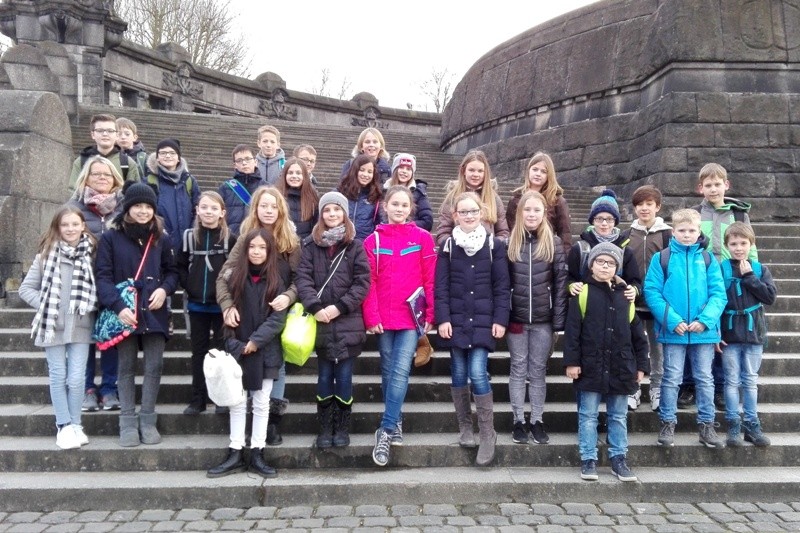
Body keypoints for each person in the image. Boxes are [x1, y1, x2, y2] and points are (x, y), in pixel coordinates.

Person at [95, 182, 179, 447]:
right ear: (127, 208)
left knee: (154, 366)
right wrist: (118, 306)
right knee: (126, 367)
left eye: (148, 206)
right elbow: (103, 276)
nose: (143, 211)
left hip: (154, 311)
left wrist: (165, 290)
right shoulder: (111, 237)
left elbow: (172, 271)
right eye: (138, 206)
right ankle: (127, 421)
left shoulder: (161, 237)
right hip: (126, 312)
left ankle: (148, 419)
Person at [216, 186, 301, 446]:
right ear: (256, 208)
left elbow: (299, 279)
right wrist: (227, 305)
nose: (268, 210)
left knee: (277, 366)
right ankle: (248, 421)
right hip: (249, 310)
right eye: (263, 205)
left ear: (281, 210)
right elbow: (224, 275)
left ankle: (271, 422)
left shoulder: (290, 242)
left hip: (276, 311)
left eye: (273, 206)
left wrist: (289, 296)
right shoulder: (246, 238)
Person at [206, 228, 289, 478]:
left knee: (262, 402)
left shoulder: (276, 280)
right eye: (252, 247)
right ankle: (235, 451)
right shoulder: (234, 278)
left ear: (269, 251)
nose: (256, 251)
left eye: (262, 247)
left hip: (266, 350)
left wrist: (256, 341)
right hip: (238, 349)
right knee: (238, 402)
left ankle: (257, 452)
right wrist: (237, 344)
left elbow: (278, 319)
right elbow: (227, 316)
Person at [363, 185, 436, 467]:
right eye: (395, 204)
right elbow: (368, 282)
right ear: (385, 206)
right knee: (387, 370)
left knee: (400, 371)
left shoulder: (423, 238)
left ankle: (386, 429)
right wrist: (372, 317)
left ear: (411, 209)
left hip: (410, 317)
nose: (399, 209)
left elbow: (430, 278)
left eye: (404, 205)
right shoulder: (372, 241)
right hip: (383, 316)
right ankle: (396, 418)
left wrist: (431, 312)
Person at [563, 242, 649, 482]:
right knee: (588, 415)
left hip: (621, 366)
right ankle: (588, 458)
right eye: (600, 261)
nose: (605, 266)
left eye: (610, 263)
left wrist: (642, 365)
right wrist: (571, 362)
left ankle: (619, 458)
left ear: (617, 268)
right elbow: (572, 332)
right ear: (591, 265)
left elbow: (638, 334)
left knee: (618, 416)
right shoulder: (582, 293)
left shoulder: (625, 296)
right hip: (590, 365)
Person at [435, 192, 510, 466]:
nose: (469, 216)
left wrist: (500, 320)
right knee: (458, 372)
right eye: (463, 212)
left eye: (473, 211)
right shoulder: (448, 246)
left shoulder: (493, 245)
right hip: (456, 320)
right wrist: (443, 319)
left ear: (482, 213)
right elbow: (440, 286)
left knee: (477, 371)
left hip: (483, 321)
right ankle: (465, 427)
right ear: (455, 216)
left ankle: (488, 433)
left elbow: (502, 287)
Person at [644, 209, 728, 449]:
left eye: (692, 230)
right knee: (671, 378)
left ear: (699, 231)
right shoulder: (662, 258)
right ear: (673, 231)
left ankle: (707, 425)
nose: (687, 234)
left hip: (703, 331)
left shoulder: (708, 259)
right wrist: (672, 320)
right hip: (674, 331)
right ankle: (667, 422)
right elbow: (652, 291)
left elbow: (718, 294)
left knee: (705, 379)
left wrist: (705, 320)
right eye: (682, 230)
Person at [679, 163, 759, 410]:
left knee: (724, 334)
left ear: (726, 185)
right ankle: (689, 384)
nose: (713, 189)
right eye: (708, 185)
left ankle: (721, 386)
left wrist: (751, 274)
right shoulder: (694, 213)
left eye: (717, 184)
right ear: (700, 188)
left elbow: (750, 248)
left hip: (730, 283)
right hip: (699, 283)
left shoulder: (739, 215)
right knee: (695, 331)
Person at [295, 192, 370, 449]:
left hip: (348, 321)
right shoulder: (310, 246)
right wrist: (315, 307)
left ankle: (342, 426)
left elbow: (362, 283)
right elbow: (303, 279)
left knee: (345, 377)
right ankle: (325, 426)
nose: (332, 214)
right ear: (321, 214)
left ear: (345, 213)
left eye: (337, 209)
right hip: (320, 322)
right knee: (324, 376)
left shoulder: (355, 246)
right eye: (327, 210)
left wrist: (340, 307)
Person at [19, 206, 98, 450]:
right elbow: (25, 289)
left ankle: (76, 424)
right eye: (65, 225)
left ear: (83, 226)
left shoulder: (92, 255)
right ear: (57, 227)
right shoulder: (45, 256)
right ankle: (63, 425)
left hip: (82, 325)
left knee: (76, 378)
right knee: (58, 375)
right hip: (51, 326)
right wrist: (46, 306)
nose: (70, 229)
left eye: (75, 224)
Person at [506, 191, 568, 445]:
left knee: (538, 370)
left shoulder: (553, 243)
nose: (531, 215)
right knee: (518, 368)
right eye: (527, 210)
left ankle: (537, 420)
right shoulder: (509, 242)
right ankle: (518, 420)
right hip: (517, 319)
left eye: (537, 210)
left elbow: (561, 282)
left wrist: (559, 321)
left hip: (544, 319)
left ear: (544, 214)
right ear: (520, 212)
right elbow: (502, 283)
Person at [69, 156, 125, 412]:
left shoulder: (123, 208)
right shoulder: (74, 207)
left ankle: (110, 388)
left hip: (113, 282)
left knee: (110, 336)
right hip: (83, 283)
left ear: (115, 179)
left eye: (107, 174)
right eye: (96, 174)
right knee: (85, 338)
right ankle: (88, 388)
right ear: (86, 177)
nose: (102, 178)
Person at [178, 191, 236, 415]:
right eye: (204, 207)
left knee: (222, 353)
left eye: (214, 208)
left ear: (222, 212)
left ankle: (221, 400)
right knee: (199, 353)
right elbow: (180, 265)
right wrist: (189, 284)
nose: (208, 212)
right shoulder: (189, 237)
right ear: (197, 210)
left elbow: (236, 268)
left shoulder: (230, 238)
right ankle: (198, 400)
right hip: (196, 305)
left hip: (221, 306)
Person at [720, 222, 777, 447]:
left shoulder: (760, 269)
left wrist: (750, 276)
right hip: (730, 334)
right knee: (731, 381)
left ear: (751, 244)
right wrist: (716, 332)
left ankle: (752, 424)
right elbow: (715, 300)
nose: (738, 248)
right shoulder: (721, 269)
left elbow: (769, 297)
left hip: (754, 334)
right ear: (727, 246)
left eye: (743, 243)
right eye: (734, 244)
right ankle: (733, 424)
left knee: (750, 380)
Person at [618, 185, 672, 412]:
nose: (644, 208)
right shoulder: (626, 235)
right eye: (639, 204)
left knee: (658, 349)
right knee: (632, 346)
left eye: (649, 204)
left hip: (659, 303)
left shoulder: (668, 234)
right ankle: (634, 388)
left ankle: (657, 388)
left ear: (657, 207)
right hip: (633, 301)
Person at [566, 189, 640, 301]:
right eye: (599, 219)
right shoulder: (580, 249)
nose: (604, 223)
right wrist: (570, 286)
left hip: (615, 304)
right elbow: (568, 278)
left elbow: (635, 282)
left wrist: (634, 290)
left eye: (609, 219)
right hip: (585, 304)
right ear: (593, 220)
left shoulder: (625, 251)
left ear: (615, 221)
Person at [436, 150, 509, 247]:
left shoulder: (494, 198)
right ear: (463, 171)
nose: (476, 174)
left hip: (487, 251)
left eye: (480, 171)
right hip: (459, 251)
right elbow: (443, 232)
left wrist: (492, 245)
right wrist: (454, 246)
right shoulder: (453, 197)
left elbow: (503, 232)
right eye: (471, 170)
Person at [506, 152, 572, 255]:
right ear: (528, 170)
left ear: (549, 175)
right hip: (520, 252)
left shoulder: (557, 201)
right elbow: (510, 229)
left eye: (543, 171)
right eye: (535, 169)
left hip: (545, 252)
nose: (538, 174)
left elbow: (565, 233)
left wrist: (565, 259)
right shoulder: (516, 200)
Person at [144, 138, 201, 253]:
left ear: (178, 157)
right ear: (157, 157)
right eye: (163, 153)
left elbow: (198, 209)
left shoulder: (189, 181)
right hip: (159, 241)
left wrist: (192, 231)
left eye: (172, 153)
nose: (168, 156)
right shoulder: (149, 181)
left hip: (186, 242)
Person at [68, 113, 140, 191]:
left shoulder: (128, 163)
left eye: (110, 131)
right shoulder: (81, 161)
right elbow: (72, 190)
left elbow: (135, 193)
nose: (105, 134)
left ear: (116, 135)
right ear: (93, 134)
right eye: (100, 130)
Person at [219, 144, 266, 237]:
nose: (244, 163)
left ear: (255, 162)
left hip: (259, 238)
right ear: (235, 165)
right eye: (239, 160)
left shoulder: (266, 187)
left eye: (248, 159)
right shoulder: (226, 188)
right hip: (232, 238)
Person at [338, 153, 384, 240]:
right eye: (362, 170)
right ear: (354, 170)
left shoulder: (377, 196)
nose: (365, 175)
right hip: (341, 241)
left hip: (364, 243)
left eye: (370, 172)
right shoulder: (340, 192)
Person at [384, 153, 433, 231]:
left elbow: (427, 221)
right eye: (401, 167)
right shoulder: (383, 190)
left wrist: (404, 226)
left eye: (408, 169)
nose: (404, 171)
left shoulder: (419, 193)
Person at [277, 156, 319, 240]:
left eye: (298, 173)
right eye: (290, 173)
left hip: (305, 244)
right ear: (285, 175)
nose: (294, 176)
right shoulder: (277, 196)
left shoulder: (313, 196)